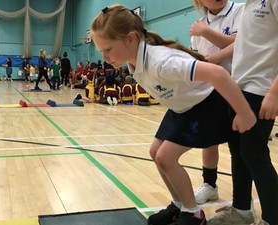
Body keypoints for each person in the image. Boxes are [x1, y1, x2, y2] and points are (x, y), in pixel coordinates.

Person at [91, 4, 256, 225]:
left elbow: (218, 73)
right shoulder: (135, 62)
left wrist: (244, 113)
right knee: (155, 152)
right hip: (183, 107)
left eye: (108, 49)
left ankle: (194, 215)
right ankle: (180, 206)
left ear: (130, 39)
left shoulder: (162, 62)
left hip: (208, 105)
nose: (104, 56)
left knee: (165, 157)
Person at [208, 1, 278, 225]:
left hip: (261, 88)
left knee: (254, 153)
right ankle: (241, 210)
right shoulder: (249, 4)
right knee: (238, 151)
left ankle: (273, 217)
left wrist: (274, 92)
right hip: (239, 88)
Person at [189, 0, 245, 205]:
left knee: (238, 148)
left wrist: (206, 36)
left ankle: (241, 199)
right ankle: (209, 185)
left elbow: (241, 44)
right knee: (208, 140)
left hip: (240, 88)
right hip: (210, 92)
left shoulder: (240, 10)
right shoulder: (199, 24)